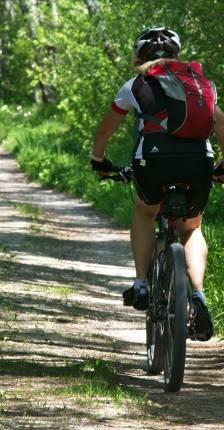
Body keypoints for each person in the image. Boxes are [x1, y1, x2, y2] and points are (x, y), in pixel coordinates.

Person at [91, 26, 224, 341]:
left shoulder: (135, 84)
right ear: (177, 55)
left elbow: (104, 132)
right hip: (198, 163)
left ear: (139, 56)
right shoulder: (200, 84)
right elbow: (220, 123)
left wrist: (98, 159)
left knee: (144, 211)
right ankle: (198, 295)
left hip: (153, 162)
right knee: (191, 227)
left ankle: (140, 283)